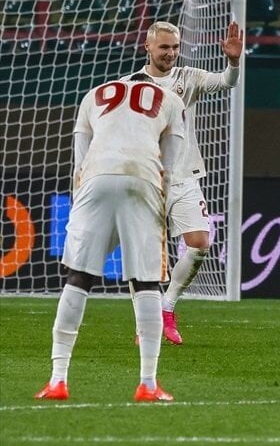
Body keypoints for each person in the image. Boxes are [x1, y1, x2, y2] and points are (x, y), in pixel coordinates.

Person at [36, 74, 186, 402]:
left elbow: (79, 159)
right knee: (146, 283)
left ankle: (57, 380)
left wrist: (81, 202)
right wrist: (160, 201)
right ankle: (148, 384)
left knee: (78, 278)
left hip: (96, 179)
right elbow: (171, 164)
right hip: (142, 179)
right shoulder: (171, 100)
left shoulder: (94, 94)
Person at [122, 20, 243, 346]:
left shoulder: (188, 78)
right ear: (148, 46)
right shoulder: (129, 86)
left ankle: (167, 307)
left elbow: (226, 82)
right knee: (144, 255)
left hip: (184, 177)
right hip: (145, 180)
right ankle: (143, 324)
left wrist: (233, 62)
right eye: (164, 47)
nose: (171, 53)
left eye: (175, 47)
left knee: (200, 243)